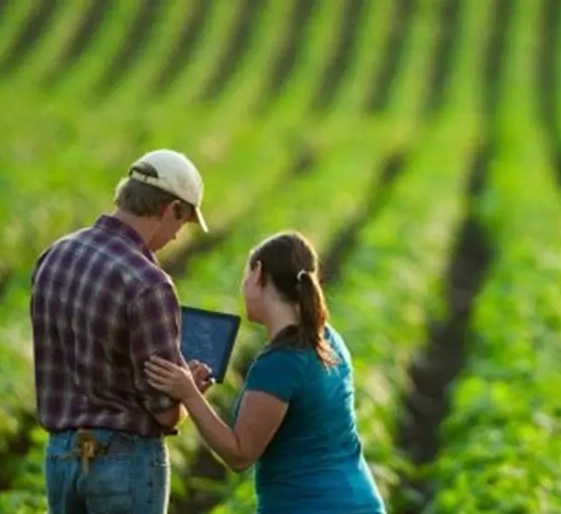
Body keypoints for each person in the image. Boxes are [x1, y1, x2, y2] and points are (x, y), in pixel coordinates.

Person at [143, 231, 387, 513]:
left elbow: (239, 454)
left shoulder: (280, 363)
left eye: (245, 274)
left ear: (258, 273)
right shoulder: (328, 339)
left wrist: (188, 394)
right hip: (358, 500)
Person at [30, 148, 215, 513]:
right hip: (123, 461)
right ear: (169, 208)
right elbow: (164, 412)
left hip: (62, 456)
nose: (178, 235)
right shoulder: (148, 284)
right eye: (183, 221)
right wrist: (188, 391)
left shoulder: (55, 255)